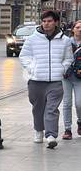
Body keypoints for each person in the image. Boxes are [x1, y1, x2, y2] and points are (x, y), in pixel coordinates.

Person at [20, 10, 70, 149]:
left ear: (56, 22)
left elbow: (68, 59)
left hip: (55, 81)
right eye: (44, 21)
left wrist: (62, 69)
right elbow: (24, 56)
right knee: (38, 108)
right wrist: (32, 68)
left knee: (52, 109)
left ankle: (51, 136)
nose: (46, 24)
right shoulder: (32, 39)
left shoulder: (64, 40)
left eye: (49, 21)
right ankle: (38, 130)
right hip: (36, 80)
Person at [63, 20, 81, 141]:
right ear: (73, 29)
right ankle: (67, 129)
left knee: (79, 103)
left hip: (80, 77)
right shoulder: (66, 42)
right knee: (67, 103)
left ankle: (80, 121)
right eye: (78, 27)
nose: (80, 29)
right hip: (66, 76)